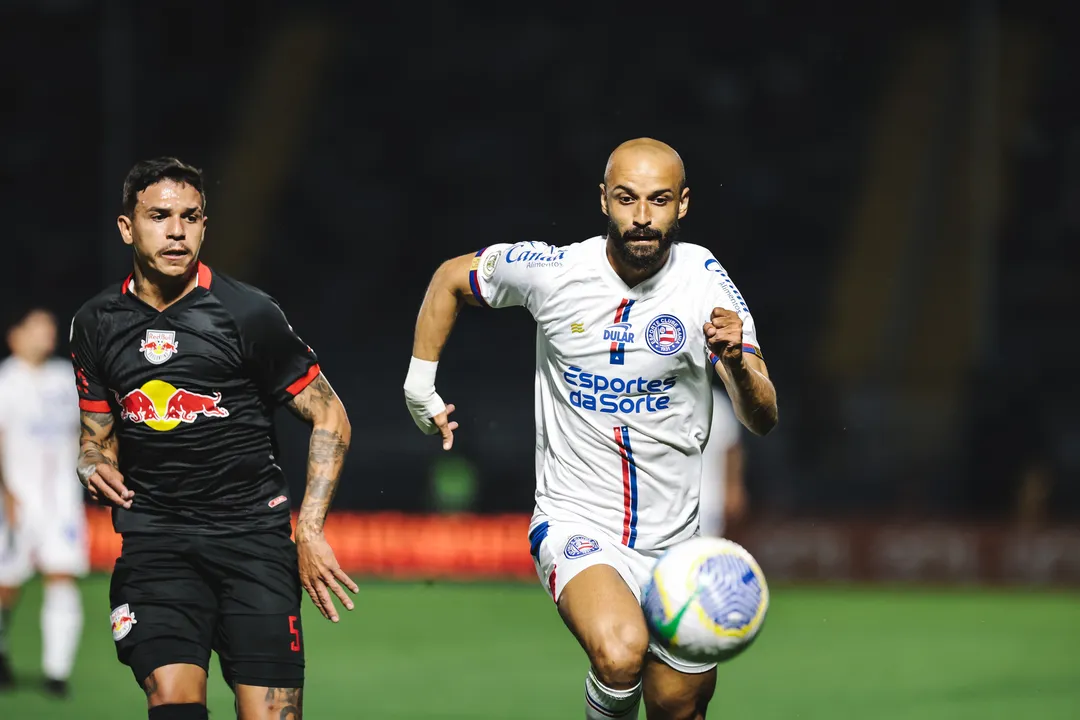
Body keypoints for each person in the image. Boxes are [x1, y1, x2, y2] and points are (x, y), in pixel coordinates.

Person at [404, 138, 778, 720]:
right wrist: (419, 386)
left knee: (677, 705)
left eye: (658, 201)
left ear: (683, 205)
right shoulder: (554, 272)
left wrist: (734, 361)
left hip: (677, 543)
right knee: (620, 651)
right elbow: (452, 278)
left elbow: (762, 418)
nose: (641, 217)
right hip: (577, 520)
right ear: (603, 199)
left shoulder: (706, 283)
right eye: (627, 199)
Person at [70, 157, 357, 720]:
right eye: (159, 216)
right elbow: (95, 439)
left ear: (205, 225)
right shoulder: (95, 323)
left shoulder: (247, 314)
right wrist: (89, 464)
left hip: (254, 541)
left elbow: (332, 418)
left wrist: (312, 531)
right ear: (128, 228)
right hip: (157, 545)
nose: (176, 231)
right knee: (173, 703)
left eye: (190, 217)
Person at [0, 308, 86, 697]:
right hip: (15, 499)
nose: (45, 335)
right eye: (36, 328)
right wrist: (6, 494)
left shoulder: (63, 379)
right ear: (15, 336)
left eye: (49, 328)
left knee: (61, 575)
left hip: (61, 502)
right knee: (6, 585)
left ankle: (57, 671)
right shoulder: (6, 381)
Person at [697, 383, 747, 538]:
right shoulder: (660, 401)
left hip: (709, 505)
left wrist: (733, 488)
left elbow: (732, 450)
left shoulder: (718, 403)